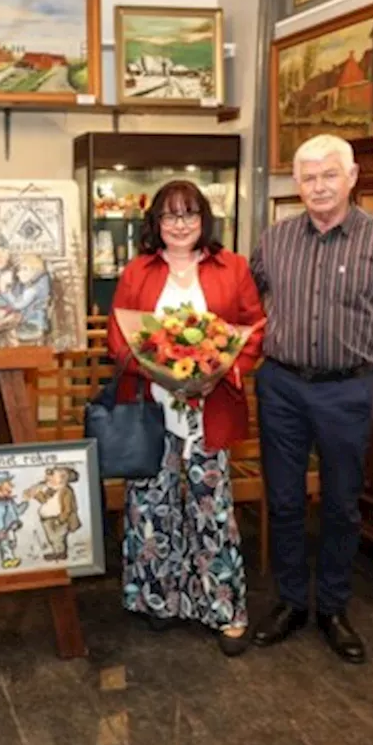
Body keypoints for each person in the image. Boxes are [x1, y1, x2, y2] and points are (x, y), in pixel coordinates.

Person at [250, 134, 373, 664]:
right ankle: (289, 602)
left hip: (346, 389)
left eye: (330, 174)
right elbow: (250, 299)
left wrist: (372, 371)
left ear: (352, 177)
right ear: (297, 184)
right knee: (282, 501)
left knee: (342, 504)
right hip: (280, 385)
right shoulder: (275, 239)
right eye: (308, 177)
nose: (319, 186)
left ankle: (331, 606)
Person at [108, 179, 265, 656]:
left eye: (190, 214)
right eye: (170, 216)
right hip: (151, 406)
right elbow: (119, 338)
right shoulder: (138, 270)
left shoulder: (232, 267)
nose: (180, 225)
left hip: (211, 407)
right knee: (150, 508)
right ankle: (160, 599)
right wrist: (165, 374)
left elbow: (253, 330)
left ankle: (223, 610)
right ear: (156, 222)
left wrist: (217, 372)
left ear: (204, 220)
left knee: (211, 510)